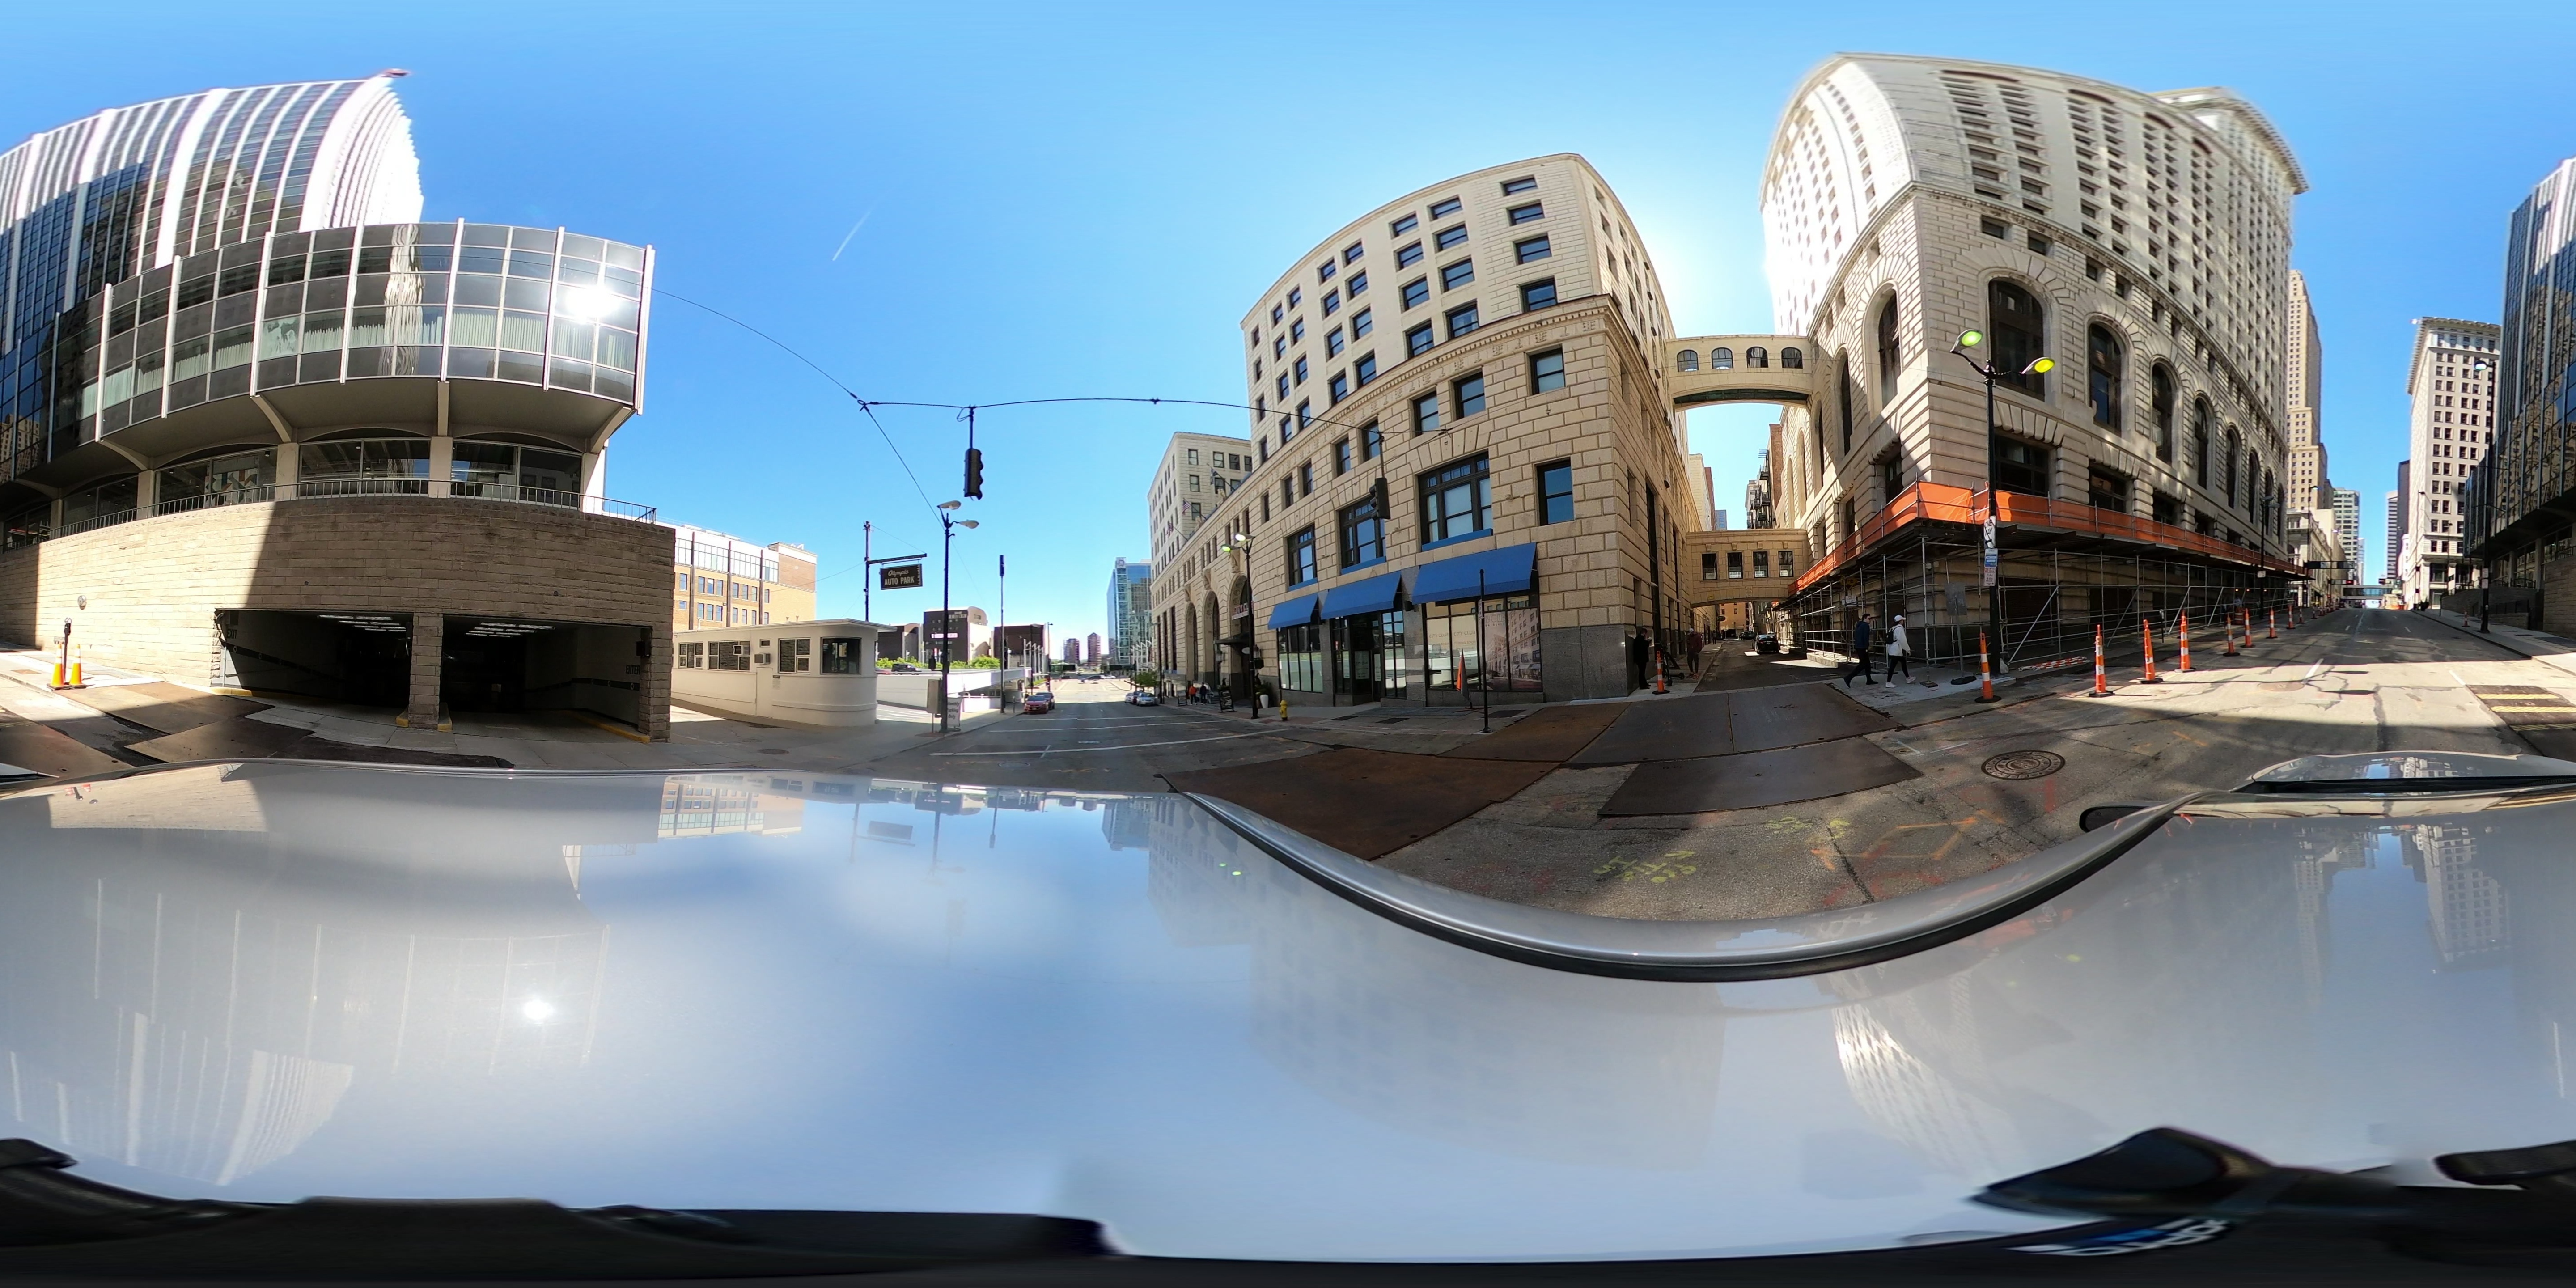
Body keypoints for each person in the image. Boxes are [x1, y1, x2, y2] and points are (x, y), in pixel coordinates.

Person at [1843, 614, 1875, 688]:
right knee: (1863, 664)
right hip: (1863, 647)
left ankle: (1869, 680)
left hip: (1859, 647)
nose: (1870, 620)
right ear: (1865, 618)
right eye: (1869, 618)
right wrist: (1867, 647)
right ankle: (1849, 678)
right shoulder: (1866, 626)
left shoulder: (1859, 626)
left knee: (1867, 664)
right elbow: (1866, 637)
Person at [1885, 614, 1912, 682]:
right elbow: (1903, 641)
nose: (1903, 622)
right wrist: (1908, 650)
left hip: (1892, 649)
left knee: (1903, 663)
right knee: (1893, 667)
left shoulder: (1892, 628)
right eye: (1902, 620)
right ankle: (1888, 682)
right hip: (1896, 651)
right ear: (1900, 622)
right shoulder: (1900, 629)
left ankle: (1908, 678)